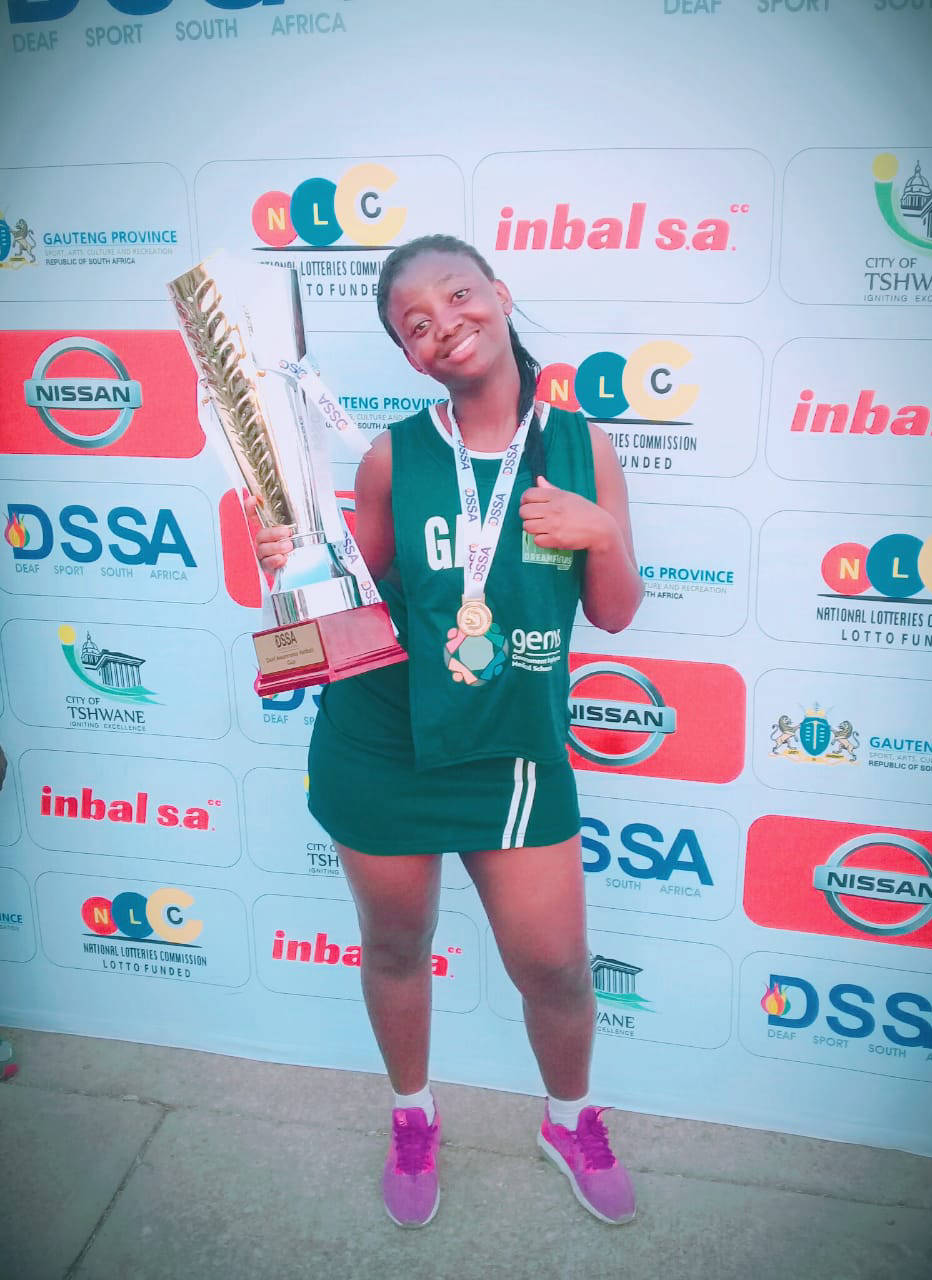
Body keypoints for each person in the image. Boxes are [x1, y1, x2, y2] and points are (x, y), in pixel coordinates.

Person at [248, 235, 643, 1228]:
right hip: (382, 743)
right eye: (414, 324)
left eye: (459, 295)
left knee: (554, 965)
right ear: (410, 355)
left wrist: (600, 534)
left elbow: (614, 612)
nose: (444, 325)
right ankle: (413, 1114)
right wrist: (288, 564)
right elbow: (347, 611)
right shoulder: (394, 456)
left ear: (499, 295)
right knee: (395, 945)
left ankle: (570, 1119)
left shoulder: (581, 447)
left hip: (512, 749)